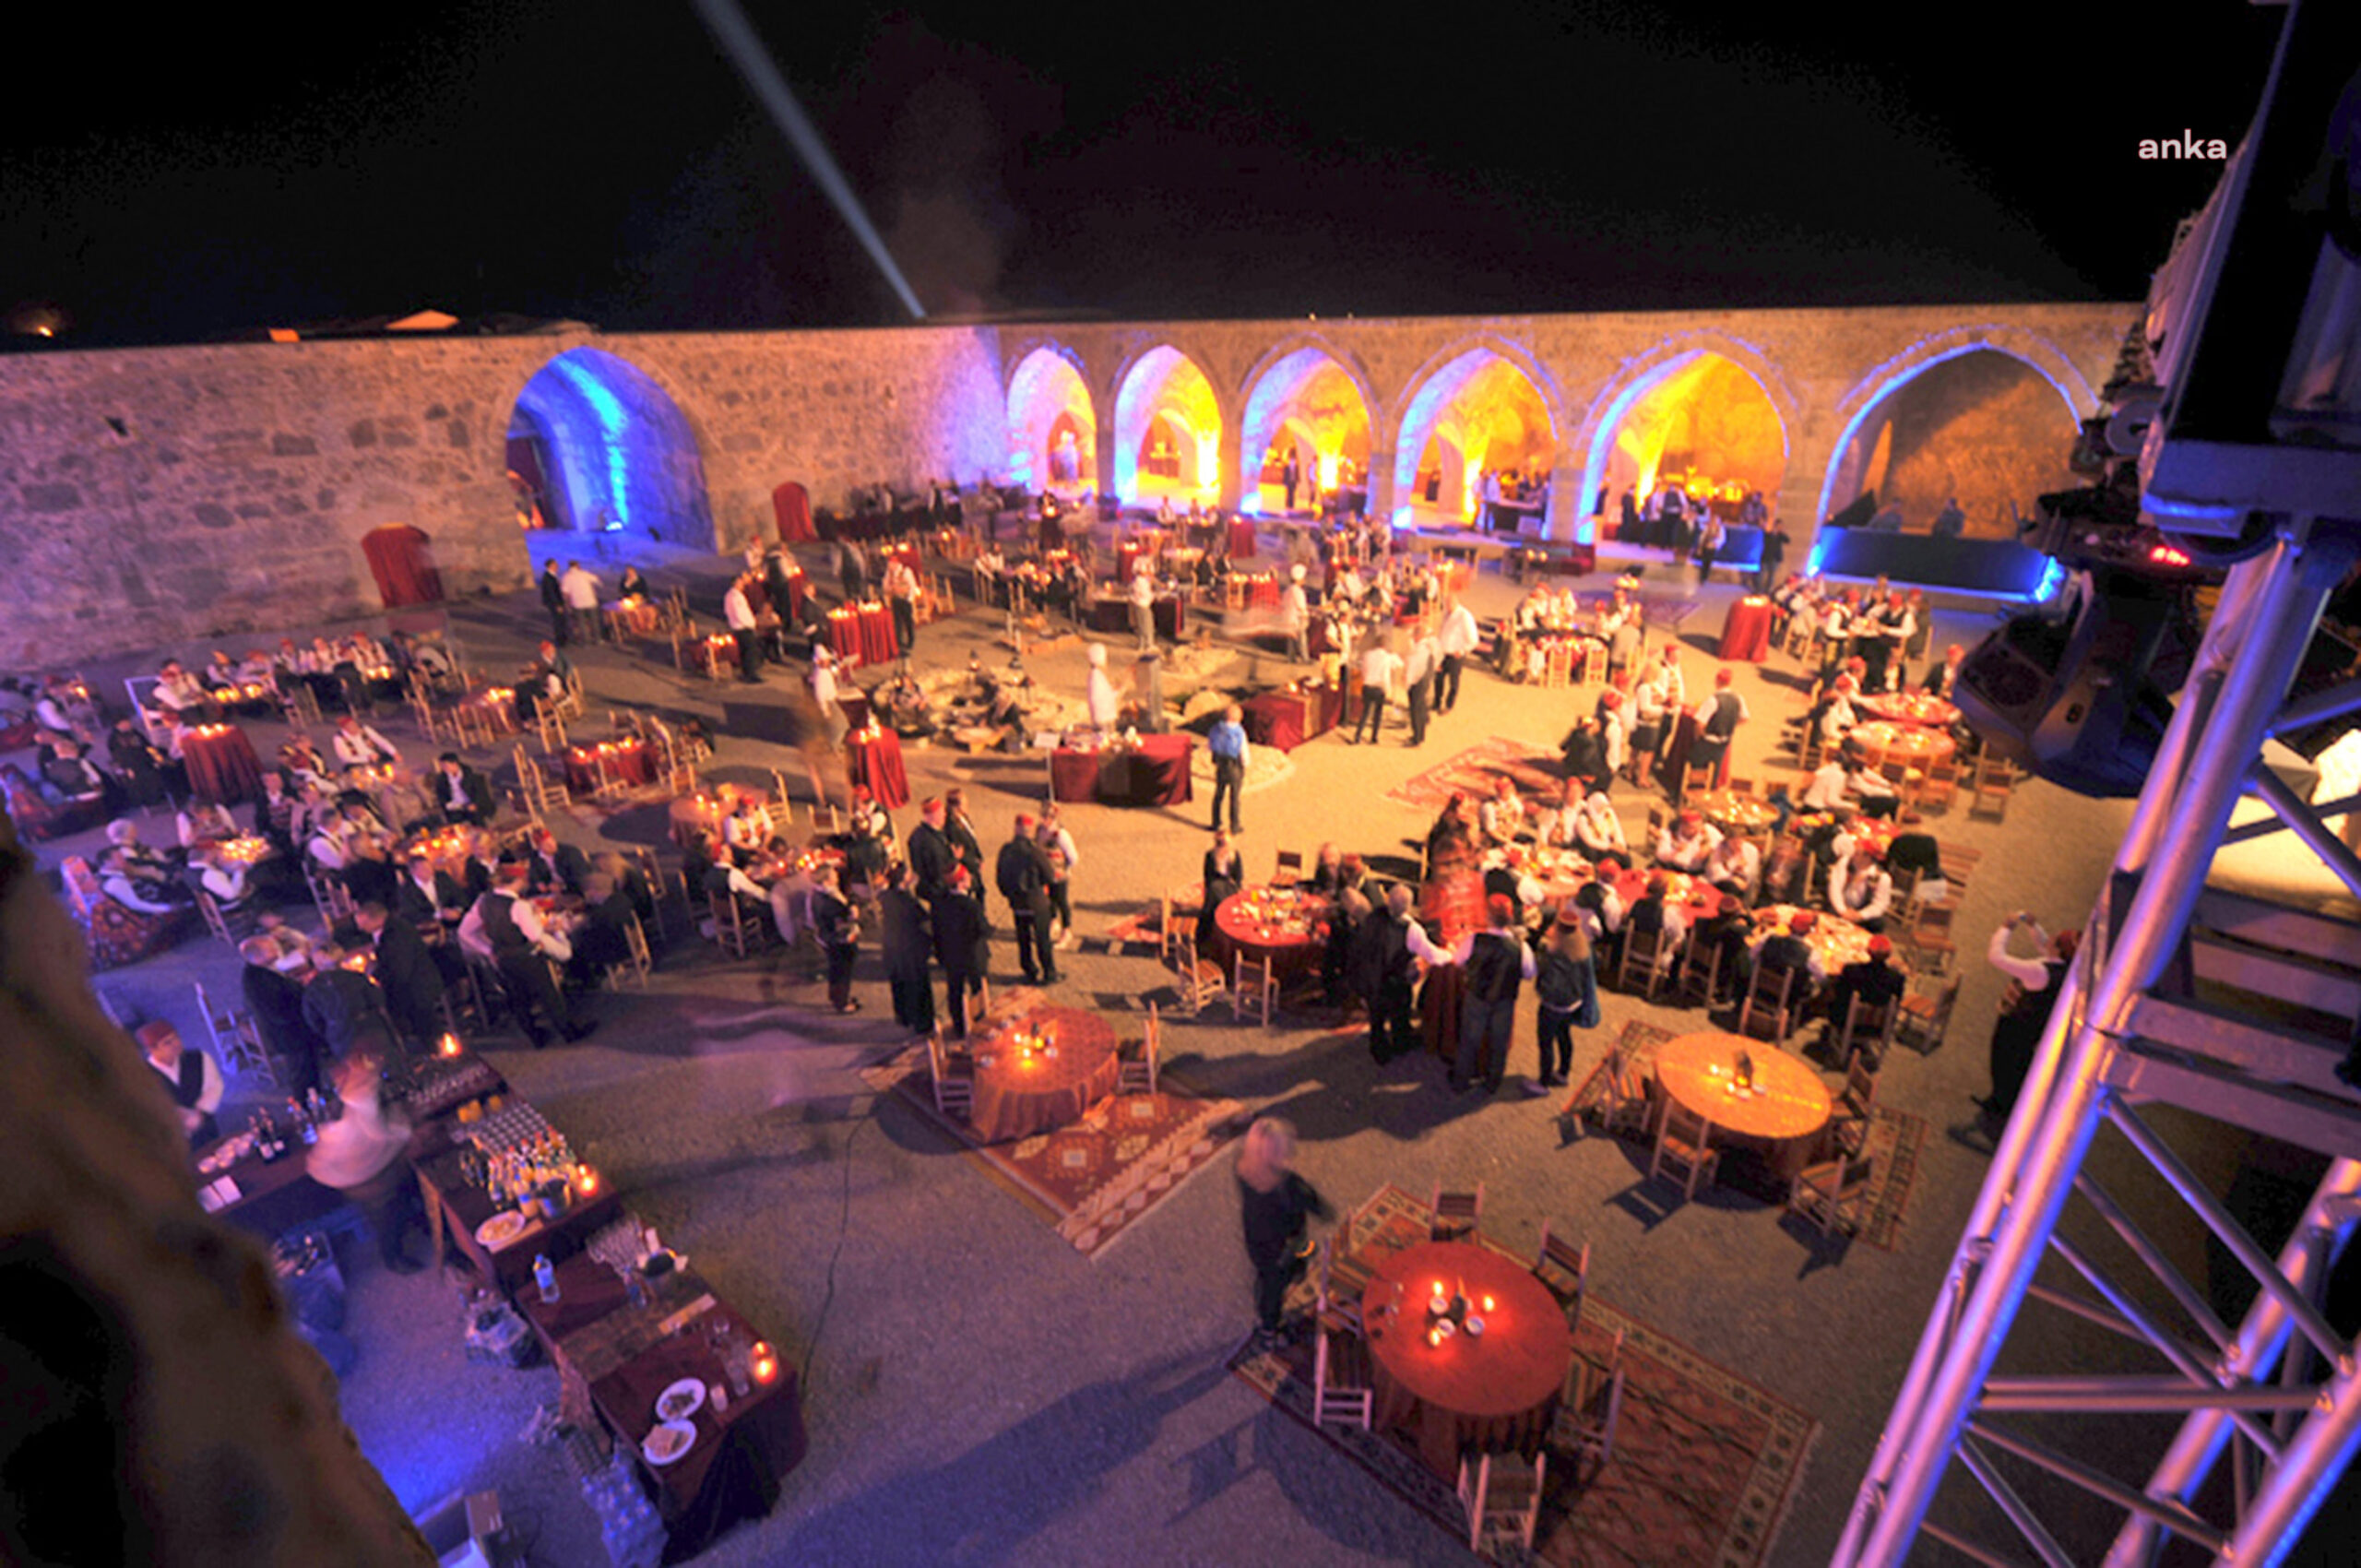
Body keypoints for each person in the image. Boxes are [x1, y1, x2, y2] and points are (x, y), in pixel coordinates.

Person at [307, 1045, 429, 1273]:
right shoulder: (359, 1094)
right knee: (388, 1217)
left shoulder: (357, 1087)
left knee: (402, 1198)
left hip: (369, 1166)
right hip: (365, 1175)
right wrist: (410, 1131)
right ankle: (393, 1259)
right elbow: (379, 1132)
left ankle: (419, 1228)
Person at [460, 864, 590, 1048]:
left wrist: (488, 950)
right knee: (548, 994)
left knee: (518, 998)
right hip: (526, 954)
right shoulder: (518, 906)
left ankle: (535, 1036)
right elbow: (534, 934)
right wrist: (542, 922)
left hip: (503, 957)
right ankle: (568, 1032)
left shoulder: (483, 901)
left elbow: (465, 931)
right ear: (518, 881)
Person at [1235, 1116, 1331, 1352]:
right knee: (1289, 1269)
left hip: (1256, 1241)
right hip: (1285, 1246)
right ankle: (1269, 1330)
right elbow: (1319, 1208)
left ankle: (1281, 1280)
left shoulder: (1242, 1167)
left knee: (1268, 1274)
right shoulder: (1288, 1186)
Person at [1434, 894, 1536, 1094]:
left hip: (1477, 997)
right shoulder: (1521, 947)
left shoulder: (1474, 940)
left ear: (1487, 916)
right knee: (1499, 1042)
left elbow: (1458, 961)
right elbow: (1529, 973)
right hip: (1505, 1000)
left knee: (1469, 1040)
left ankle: (1461, 1081)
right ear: (1510, 918)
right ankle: (1492, 1083)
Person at [1981, 913, 2078, 1123]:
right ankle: (1997, 1102)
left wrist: (2006, 928)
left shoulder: (2040, 972)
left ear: (2058, 949)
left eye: (2055, 938)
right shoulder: (2062, 967)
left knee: (2003, 1063)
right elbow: (2044, 945)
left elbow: (1997, 957)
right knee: (2012, 1066)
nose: (2050, 937)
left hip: (2016, 1025)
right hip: (2030, 1027)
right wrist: (2033, 926)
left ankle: (2000, 1111)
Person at [1530, 907, 1599, 1091]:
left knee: (1545, 1042)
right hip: (1573, 1003)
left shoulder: (1551, 950)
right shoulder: (1584, 949)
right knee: (1564, 1037)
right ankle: (1563, 1073)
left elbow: (1540, 970)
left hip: (1552, 1004)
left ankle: (1543, 1082)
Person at [138, 1021, 225, 1146]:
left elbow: (214, 1086)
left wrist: (200, 1114)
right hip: (175, 1141)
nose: (177, 1043)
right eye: (167, 1043)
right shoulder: (143, 1077)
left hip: (207, 1130)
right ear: (152, 1050)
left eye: (176, 1037)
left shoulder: (198, 1058)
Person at [996, 815, 1059, 985]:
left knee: (1023, 939)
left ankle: (1029, 969)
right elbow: (1049, 875)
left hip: (1017, 903)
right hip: (1036, 903)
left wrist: (1009, 895)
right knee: (1042, 939)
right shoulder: (1035, 852)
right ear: (1030, 831)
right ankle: (1049, 972)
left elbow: (1000, 878)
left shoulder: (1006, 850)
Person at [931, 864, 991, 1038]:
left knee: (955, 990)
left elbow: (936, 931)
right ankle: (979, 1019)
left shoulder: (940, 904)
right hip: (973, 955)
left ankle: (959, 1025)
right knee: (977, 988)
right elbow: (982, 929)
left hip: (952, 955)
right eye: (966, 877)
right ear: (961, 883)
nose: (970, 878)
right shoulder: (971, 906)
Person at [1827, 935, 1909, 1054]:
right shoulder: (1897, 978)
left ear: (1868, 952)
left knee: (1833, 993)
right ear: (1889, 955)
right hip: (1879, 1026)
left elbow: (1839, 993)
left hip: (1845, 1020)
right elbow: (1897, 1002)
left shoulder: (1851, 970)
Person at [877, 864, 932, 1033]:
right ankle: (922, 1023)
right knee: (917, 987)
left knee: (899, 985)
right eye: (909, 874)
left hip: (893, 950)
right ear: (903, 879)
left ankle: (903, 1016)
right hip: (911, 951)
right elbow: (924, 921)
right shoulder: (908, 902)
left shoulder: (886, 897)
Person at [812, 861, 862, 1013]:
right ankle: (842, 1003)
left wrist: (852, 905)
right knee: (842, 970)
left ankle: (837, 997)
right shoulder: (826, 900)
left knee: (837, 969)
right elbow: (842, 915)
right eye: (833, 874)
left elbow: (850, 899)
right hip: (836, 939)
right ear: (827, 879)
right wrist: (852, 913)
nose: (837, 876)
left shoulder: (825, 893)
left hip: (831, 937)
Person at [1037, 807, 1079, 943]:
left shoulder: (1061, 834)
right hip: (1045, 873)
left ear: (1053, 818)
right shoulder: (1040, 831)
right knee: (1049, 900)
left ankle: (1066, 930)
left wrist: (1065, 869)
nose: (1043, 820)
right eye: (1042, 816)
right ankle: (1053, 922)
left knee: (1061, 901)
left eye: (1047, 817)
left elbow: (1073, 856)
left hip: (1059, 874)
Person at [1207, 705, 1249, 834]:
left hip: (1221, 765)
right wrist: (1245, 764)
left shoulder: (1216, 729)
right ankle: (1234, 825)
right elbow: (1243, 750)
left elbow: (1210, 745)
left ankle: (1215, 822)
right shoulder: (1239, 732)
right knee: (1234, 797)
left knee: (1218, 794)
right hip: (1234, 766)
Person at [1354, 635, 1400, 744]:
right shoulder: (1387, 657)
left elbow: (1363, 669)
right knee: (1377, 713)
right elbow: (1388, 673)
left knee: (1365, 712)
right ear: (1385, 645)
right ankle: (1374, 737)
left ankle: (1358, 735)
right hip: (1379, 687)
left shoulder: (1367, 654)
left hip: (1367, 685)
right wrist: (1388, 690)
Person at [1436, 597, 1479, 712]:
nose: (1447, 607)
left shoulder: (1464, 616)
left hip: (1456, 655)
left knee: (1453, 682)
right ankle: (1437, 702)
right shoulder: (1447, 614)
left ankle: (1449, 705)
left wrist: (1463, 650)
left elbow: (1473, 639)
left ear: (1455, 603)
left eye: (1449, 604)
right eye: (1446, 604)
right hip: (1443, 652)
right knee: (1438, 677)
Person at [433, 754, 493, 826]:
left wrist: (475, 804)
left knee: (477, 819)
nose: (443, 768)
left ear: (454, 764)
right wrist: (447, 805)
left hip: (471, 805)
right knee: (454, 823)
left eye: (445, 766)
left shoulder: (469, 775)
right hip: (456, 807)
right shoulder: (442, 779)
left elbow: (480, 792)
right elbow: (441, 795)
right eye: (442, 766)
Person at [724, 573, 763, 682]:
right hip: (743, 627)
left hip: (739, 627)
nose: (743, 584)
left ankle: (747, 673)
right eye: (740, 582)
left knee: (745, 651)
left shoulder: (731, 595)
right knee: (749, 651)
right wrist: (750, 624)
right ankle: (750, 674)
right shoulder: (735, 597)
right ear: (735, 583)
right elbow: (739, 613)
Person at [1403, 629, 1438, 747]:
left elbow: (1414, 667)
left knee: (1415, 709)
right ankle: (1420, 735)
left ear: (1418, 636)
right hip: (1425, 680)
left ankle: (1416, 738)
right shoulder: (1428, 647)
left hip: (1417, 681)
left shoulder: (1419, 650)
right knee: (1421, 707)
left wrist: (1408, 681)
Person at [1280, 565, 1310, 663]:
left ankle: (1291, 658)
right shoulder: (1298, 591)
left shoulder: (1287, 590)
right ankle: (1305, 658)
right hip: (1297, 618)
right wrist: (1306, 615)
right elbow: (1301, 606)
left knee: (1291, 639)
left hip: (1288, 617)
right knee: (1302, 639)